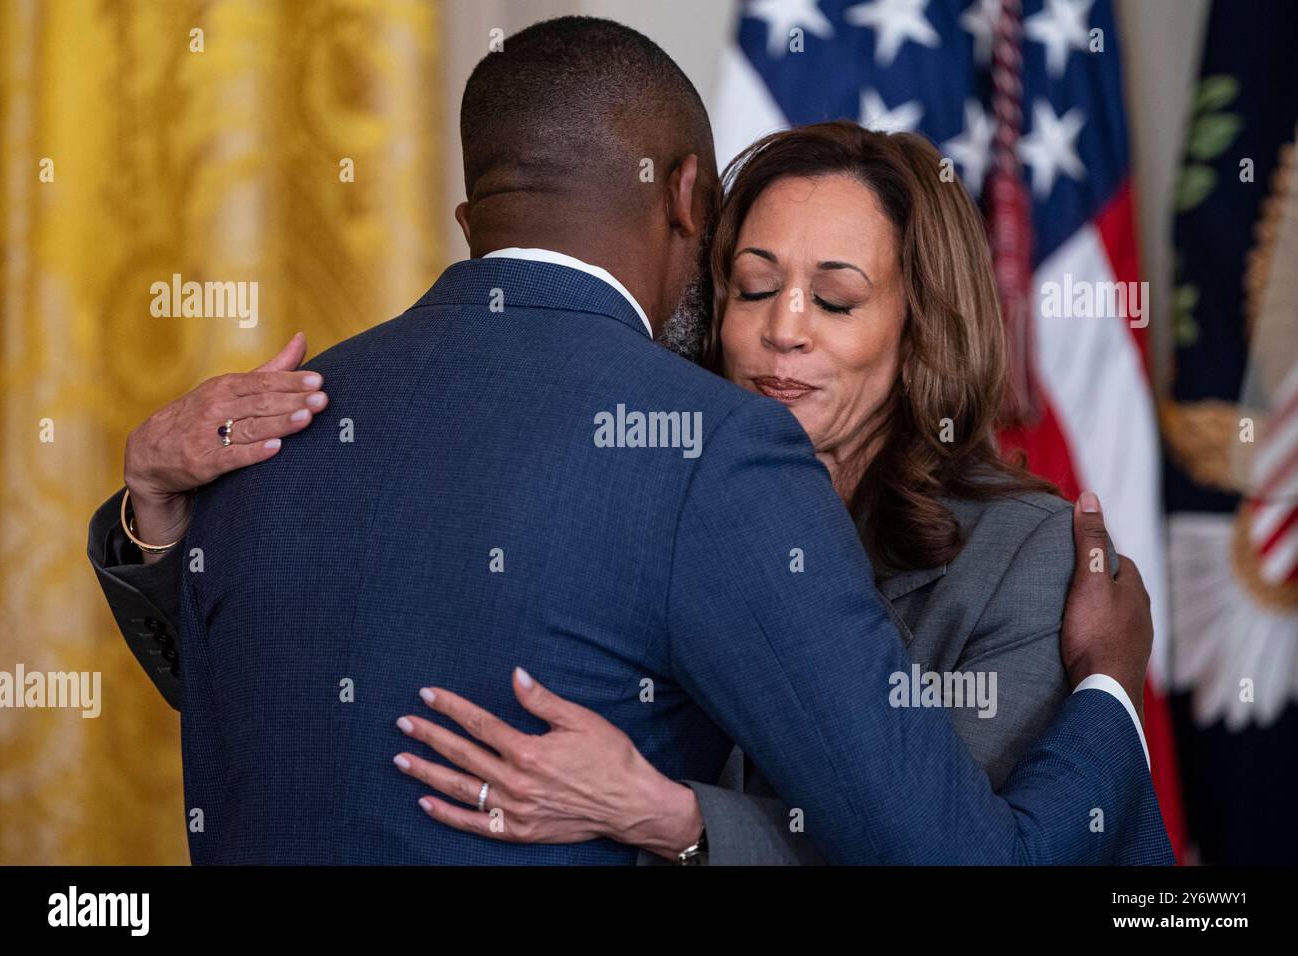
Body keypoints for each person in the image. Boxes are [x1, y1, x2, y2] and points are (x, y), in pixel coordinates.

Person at [87, 16, 1172, 865]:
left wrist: (676, 816)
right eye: (751, 285)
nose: (783, 326)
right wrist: (148, 521)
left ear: (918, 324)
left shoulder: (287, 418)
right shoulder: (687, 456)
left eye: (836, 300)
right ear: (693, 219)